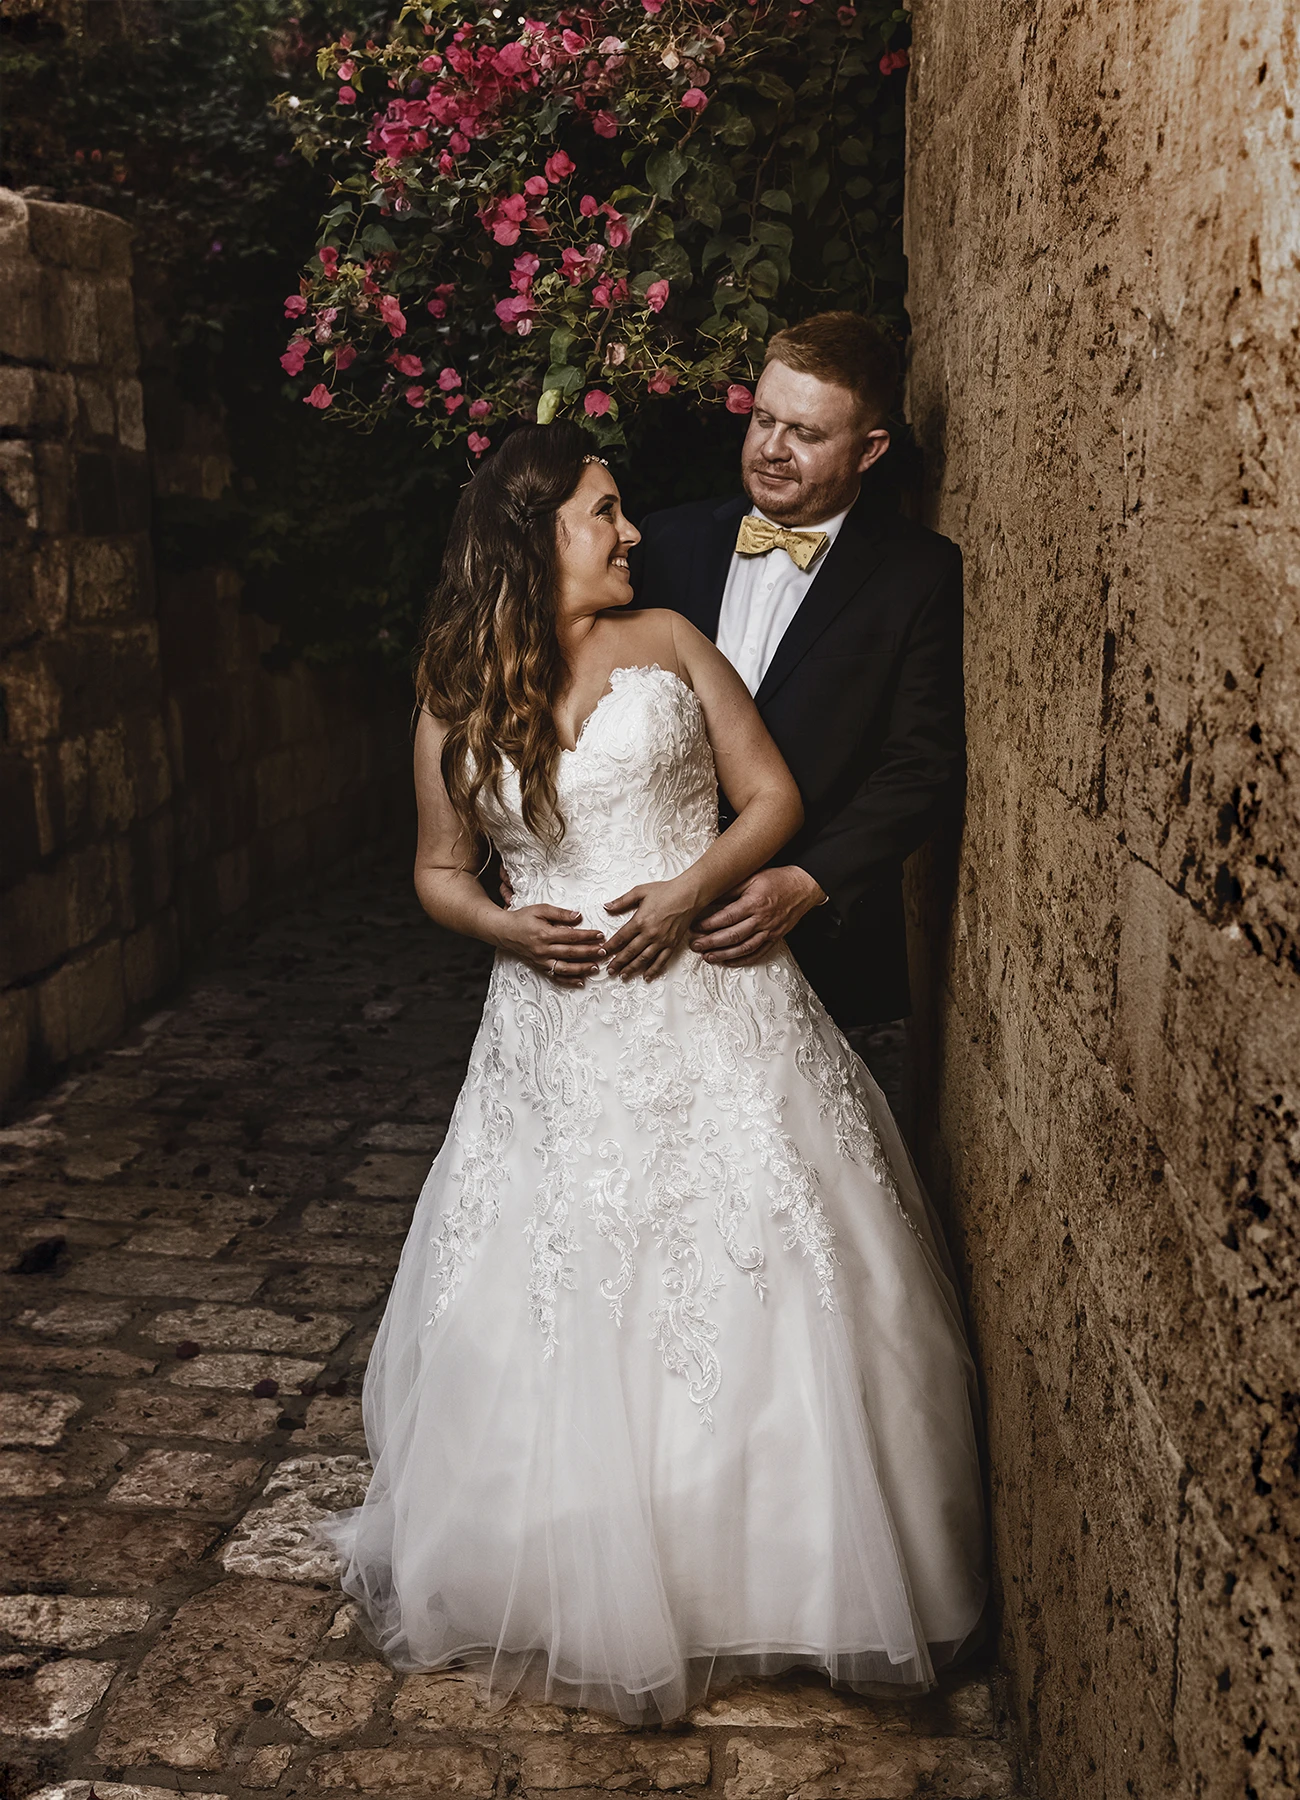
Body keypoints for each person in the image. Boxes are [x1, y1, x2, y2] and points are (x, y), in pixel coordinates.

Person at [324, 421, 986, 1725]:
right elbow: (438, 871)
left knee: (763, 1264)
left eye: (624, 512)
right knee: (554, 1287)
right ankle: (562, 1561)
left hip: (713, 1005)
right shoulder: (454, 691)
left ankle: (785, 1573)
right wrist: (503, 926)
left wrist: (690, 892)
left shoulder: (673, 643)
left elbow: (775, 801)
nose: (633, 534)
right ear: (535, 536)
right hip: (552, 1036)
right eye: (604, 514)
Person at [630, 311, 964, 1034]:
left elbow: (921, 764)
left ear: (869, 450)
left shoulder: (918, 574)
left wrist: (811, 883)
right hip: (642, 920)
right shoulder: (666, 540)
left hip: (813, 944)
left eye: (806, 435)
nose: (772, 450)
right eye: (762, 420)